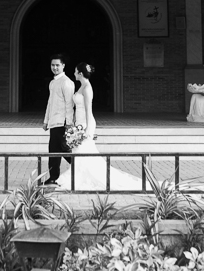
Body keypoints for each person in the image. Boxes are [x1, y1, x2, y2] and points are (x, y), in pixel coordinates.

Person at [58, 63, 144, 191]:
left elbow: (88, 110)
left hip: (86, 123)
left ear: (80, 73)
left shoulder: (87, 88)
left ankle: (84, 178)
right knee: (77, 151)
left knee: (83, 150)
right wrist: (74, 124)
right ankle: (77, 176)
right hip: (79, 123)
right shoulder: (81, 86)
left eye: (75, 71)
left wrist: (87, 129)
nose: (74, 73)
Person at [42, 54, 75, 186]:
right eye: (53, 65)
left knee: (64, 150)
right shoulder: (52, 82)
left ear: (63, 66)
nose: (55, 67)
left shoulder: (66, 82)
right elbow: (50, 103)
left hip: (62, 123)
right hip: (54, 122)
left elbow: (69, 104)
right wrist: (46, 121)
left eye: (57, 65)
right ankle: (53, 177)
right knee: (53, 151)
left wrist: (69, 123)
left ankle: (81, 166)